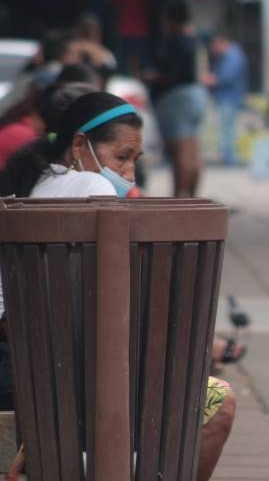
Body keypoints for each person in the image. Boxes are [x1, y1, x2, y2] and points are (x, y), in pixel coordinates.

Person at [0, 91, 235, 481]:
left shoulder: (33, 182)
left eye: (135, 160)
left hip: (31, 375)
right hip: (81, 385)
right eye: (122, 157)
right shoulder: (91, 185)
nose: (129, 174)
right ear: (80, 145)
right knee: (219, 400)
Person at [145, 0, 208, 197]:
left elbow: (174, 74)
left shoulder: (177, 42)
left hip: (177, 99)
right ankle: (190, 196)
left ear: (170, 20)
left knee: (181, 153)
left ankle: (181, 197)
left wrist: (153, 77)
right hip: (193, 96)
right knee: (192, 152)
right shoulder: (193, 41)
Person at [203, 34, 248, 166]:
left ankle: (229, 159)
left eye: (214, 45)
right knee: (225, 128)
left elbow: (225, 77)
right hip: (226, 97)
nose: (213, 49)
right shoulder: (228, 56)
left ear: (220, 43)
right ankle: (228, 157)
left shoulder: (232, 56)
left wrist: (208, 79)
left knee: (226, 129)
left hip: (229, 98)